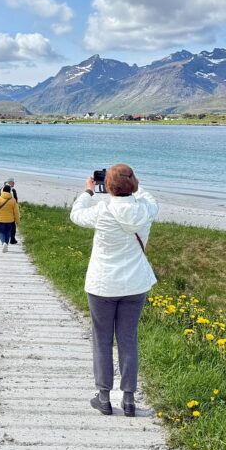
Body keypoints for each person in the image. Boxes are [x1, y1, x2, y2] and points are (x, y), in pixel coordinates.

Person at [69, 163, 159, 418]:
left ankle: (104, 397)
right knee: (128, 339)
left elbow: (76, 214)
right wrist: (130, 181)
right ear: (134, 184)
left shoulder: (102, 209)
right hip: (135, 284)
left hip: (102, 284)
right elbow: (146, 196)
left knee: (102, 340)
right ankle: (129, 399)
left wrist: (88, 191)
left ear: (107, 187)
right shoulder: (146, 210)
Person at [0, 184, 20, 253]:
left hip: (0, 220)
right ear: (10, 191)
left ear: (3, 191)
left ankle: (4, 243)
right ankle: (6, 244)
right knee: (8, 232)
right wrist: (17, 221)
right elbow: (16, 212)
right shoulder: (13, 200)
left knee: (1, 232)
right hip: (10, 220)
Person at [5, 178, 20, 243]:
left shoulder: (2, 189)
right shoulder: (13, 190)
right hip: (11, 209)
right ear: (10, 182)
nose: (14, 183)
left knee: (5, 224)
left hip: (4, 209)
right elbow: (15, 200)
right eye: (13, 182)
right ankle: (12, 238)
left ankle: (6, 238)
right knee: (12, 225)